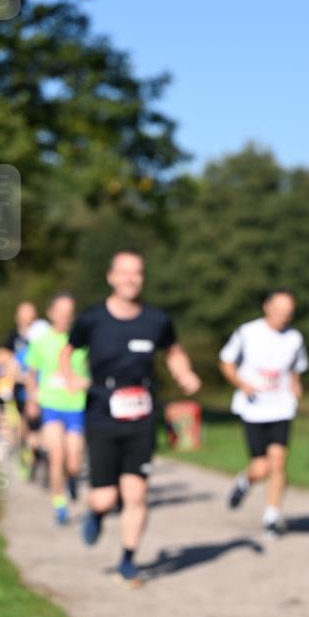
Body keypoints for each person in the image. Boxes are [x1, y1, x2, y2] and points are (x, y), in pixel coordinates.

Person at [61, 250, 201, 586]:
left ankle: (128, 559)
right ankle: (96, 513)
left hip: (141, 411)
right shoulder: (93, 319)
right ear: (110, 277)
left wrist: (185, 374)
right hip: (101, 410)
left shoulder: (156, 320)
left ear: (142, 278)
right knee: (105, 497)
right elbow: (68, 351)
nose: (130, 279)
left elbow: (174, 350)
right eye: (123, 273)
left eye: (136, 273)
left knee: (136, 494)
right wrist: (69, 376)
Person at [219, 289, 309, 537]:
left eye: (288, 313)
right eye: (279, 311)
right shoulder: (247, 333)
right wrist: (242, 384)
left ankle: (272, 515)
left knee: (278, 461)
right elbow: (226, 362)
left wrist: (295, 383)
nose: (283, 317)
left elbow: (296, 367)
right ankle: (244, 482)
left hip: (281, 406)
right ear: (267, 307)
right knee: (261, 468)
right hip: (254, 407)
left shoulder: (294, 338)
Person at [25, 294, 89, 525]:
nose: (64, 316)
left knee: (73, 460)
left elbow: (93, 371)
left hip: (76, 405)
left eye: (68, 312)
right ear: (51, 313)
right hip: (50, 404)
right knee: (56, 455)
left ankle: (72, 478)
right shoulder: (41, 341)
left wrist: (85, 382)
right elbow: (31, 374)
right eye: (60, 312)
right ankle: (59, 504)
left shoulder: (81, 341)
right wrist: (32, 400)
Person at [3, 301, 45, 478]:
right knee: (22, 427)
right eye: (25, 313)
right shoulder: (12, 337)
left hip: (40, 386)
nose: (28, 317)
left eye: (31, 313)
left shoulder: (42, 333)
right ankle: (25, 453)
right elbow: (2, 357)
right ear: (17, 316)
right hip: (19, 388)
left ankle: (36, 457)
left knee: (37, 425)